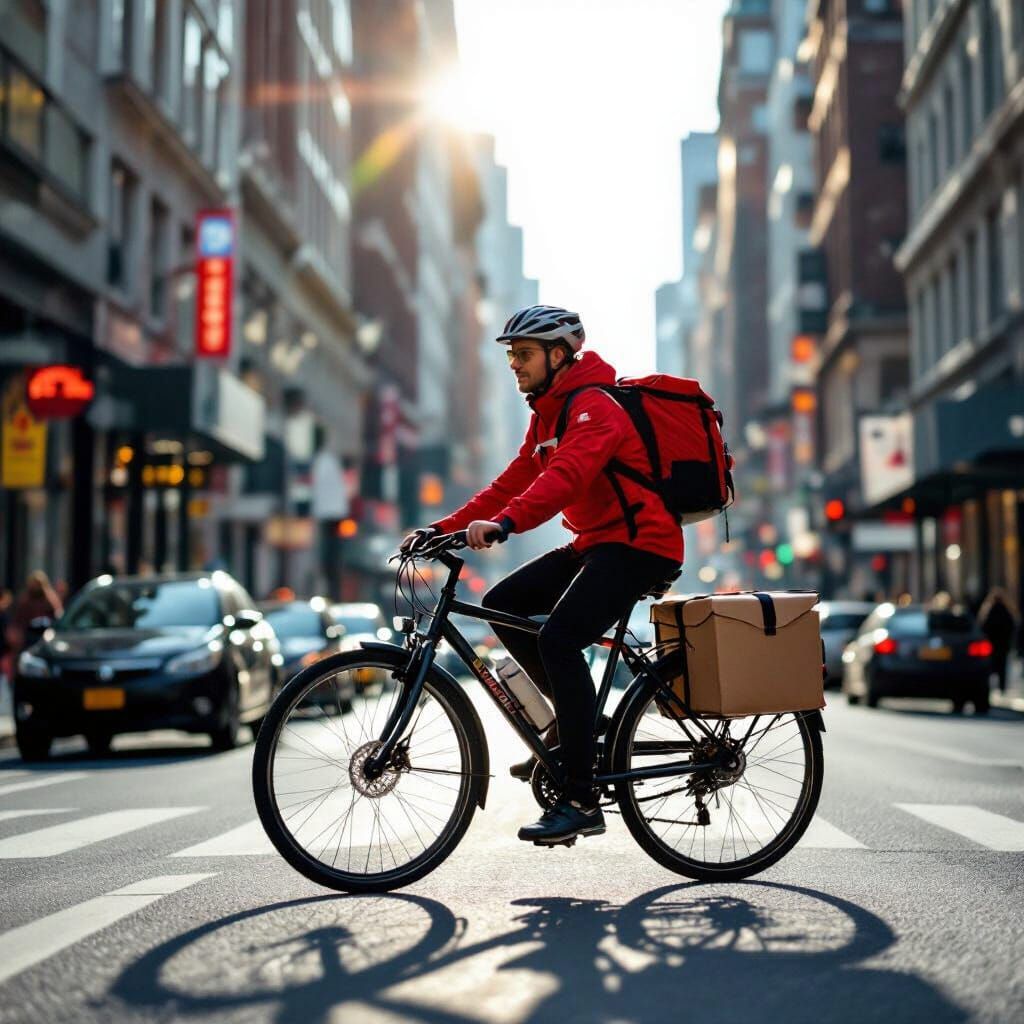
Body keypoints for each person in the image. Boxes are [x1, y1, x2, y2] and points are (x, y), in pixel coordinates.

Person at [402, 305, 683, 845]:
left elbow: (567, 476)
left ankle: (581, 798)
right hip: (596, 544)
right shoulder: (547, 414)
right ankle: (576, 730)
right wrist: (443, 527)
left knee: (559, 640)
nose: (514, 364)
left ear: (560, 355)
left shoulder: (595, 407)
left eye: (524, 354)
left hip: (640, 545)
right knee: (503, 603)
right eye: (510, 354)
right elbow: (511, 480)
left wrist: (506, 524)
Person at [9, 570, 63, 658]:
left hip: (45, 635)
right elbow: (19, 619)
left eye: (38, 584)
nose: (35, 587)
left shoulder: (50, 599)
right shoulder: (25, 600)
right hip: (28, 636)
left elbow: (57, 615)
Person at [977, 587, 1018, 694]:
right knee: (1002, 666)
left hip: (991, 644)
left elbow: (983, 626)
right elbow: (1013, 626)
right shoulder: (1007, 610)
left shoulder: (988, 610)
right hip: (1003, 644)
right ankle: (1001, 687)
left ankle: (990, 687)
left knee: (990, 666)